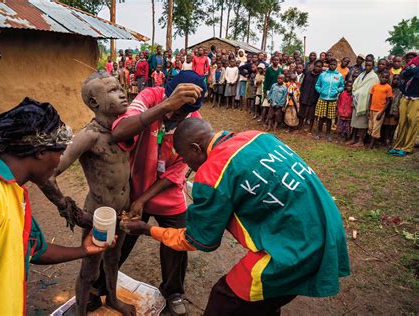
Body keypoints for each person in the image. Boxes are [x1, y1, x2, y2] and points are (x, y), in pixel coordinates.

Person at [121, 118, 350, 316]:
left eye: (185, 159)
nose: (188, 166)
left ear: (196, 148)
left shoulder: (212, 173)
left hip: (295, 249)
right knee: (265, 302)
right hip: (327, 228)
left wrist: (146, 229)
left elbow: (199, 240)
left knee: (225, 302)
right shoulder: (259, 137)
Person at [0, 98, 115, 316]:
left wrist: (84, 250)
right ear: (40, 152)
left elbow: (33, 249)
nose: (59, 160)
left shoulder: (12, 191)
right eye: (59, 152)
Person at [105, 70, 206, 316]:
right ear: (166, 93)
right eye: (174, 106)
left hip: (165, 193)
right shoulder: (150, 97)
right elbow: (119, 132)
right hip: (134, 187)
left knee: (175, 242)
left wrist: (143, 200)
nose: (175, 114)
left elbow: (177, 171)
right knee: (121, 238)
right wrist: (164, 106)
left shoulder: (193, 122)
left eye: (182, 111)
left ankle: (173, 292)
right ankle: (102, 283)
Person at [38, 72, 136, 315]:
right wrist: (68, 209)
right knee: (90, 268)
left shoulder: (123, 130)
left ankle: (112, 299)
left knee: (114, 258)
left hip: (122, 211)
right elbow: (48, 174)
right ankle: (81, 311)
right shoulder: (89, 136)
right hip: (98, 215)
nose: (122, 93)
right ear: (94, 103)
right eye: (113, 90)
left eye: (120, 87)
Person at [389, 56, 419, 156]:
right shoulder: (413, 62)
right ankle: (397, 146)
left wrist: (412, 69)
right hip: (405, 95)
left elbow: (416, 74)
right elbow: (403, 74)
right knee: (402, 122)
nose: (409, 59)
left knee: (412, 121)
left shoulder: (413, 65)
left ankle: (407, 147)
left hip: (417, 98)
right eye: (408, 58)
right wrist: (412, 69)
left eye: (411, 58)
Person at [348, 61, 379, 147]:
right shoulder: (362, 74)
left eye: (369, 65)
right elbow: (355, 84)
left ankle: (360, 140)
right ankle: (353, 138)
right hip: (357, 100)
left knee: (362, 123)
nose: (367, 67)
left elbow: (373, 90)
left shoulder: (374, 77)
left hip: (365, 102)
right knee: (354, 121)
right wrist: (356, 93)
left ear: (373, 66)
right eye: (366, 65)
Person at [314, 59, 345, 141]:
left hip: (333, 99)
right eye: (331, 64)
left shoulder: (339, 76)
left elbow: (342, 86)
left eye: (334, 64)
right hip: (322, 98)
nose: (332, 66)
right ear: (328, 65)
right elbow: (317, 85)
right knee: (321, 117)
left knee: (329, 118)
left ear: (336, 65)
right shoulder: (323, 75)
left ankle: (328, 134)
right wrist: (320, 91)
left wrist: (338, 91)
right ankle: (318, 133)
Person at [368, 72, 393, 149]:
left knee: (376, 128)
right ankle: (371, 142)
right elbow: (371, 97)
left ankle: (371, 145)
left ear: (388, 79)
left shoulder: (388, 87)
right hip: (372, 109)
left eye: (386, 78)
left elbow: (388, 101)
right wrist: (369, 109)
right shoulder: (375, 86)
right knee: (370, 127)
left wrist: (382, 112)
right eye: (382, 77)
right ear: (380, 77)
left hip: (379, 111)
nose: (384, 79)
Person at [299, 60, 322, 133]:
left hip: (314, 97)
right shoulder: (307, 73)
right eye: (317, 66)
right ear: (314, 66)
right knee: (302, 113)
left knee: (312, 115)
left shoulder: (321, 76)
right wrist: (301, 94)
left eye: (319, 66)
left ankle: (310, 129)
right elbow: (303, 85)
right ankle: (300, 127)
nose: (318, 68)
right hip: (305, 96)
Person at [382, 74, 402, 146]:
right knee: (386, 126)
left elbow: (400, 102)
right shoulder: (388, 88)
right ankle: (385, 140)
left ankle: (390, 140)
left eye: (397, 79)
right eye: (394, 79)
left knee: (393, 127)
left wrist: (397, 111)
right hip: (387, 109)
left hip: (395, 110)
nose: (395, 81)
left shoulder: (401, 90)